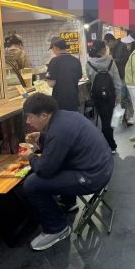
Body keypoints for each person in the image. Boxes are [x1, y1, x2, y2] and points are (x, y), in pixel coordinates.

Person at [21, 93, 113, 251]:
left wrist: (30, 157)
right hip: (102, 166)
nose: (28, 122)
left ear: (44, 116)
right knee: (57, 163)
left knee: (32, 184)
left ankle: (57, 228)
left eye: (30, 117)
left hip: (93, 176)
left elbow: (44, 170)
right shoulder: (65, 116)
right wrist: (42, 137)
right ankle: (68, 203)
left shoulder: (59, 130)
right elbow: (63, 142)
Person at [86, 40, 122, 152]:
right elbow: (117, 79)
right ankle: (111, 145)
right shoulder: (111, 61)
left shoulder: (89, 63)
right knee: (109, 119)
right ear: (103, 49)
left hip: (97, 96)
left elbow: (90, 78)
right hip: (110, 95)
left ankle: (107, 143)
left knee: (103, 118)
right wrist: (118, 94)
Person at [104, 33, 135, 126]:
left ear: (111, 41)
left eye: (107, 44)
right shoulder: (112, 48)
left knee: (126, 96)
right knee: (121, 97)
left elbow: (127, 59)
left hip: (124, 75)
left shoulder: (123, 45)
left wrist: (115, 60)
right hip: (117, 76)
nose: (107, 46)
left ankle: (129, 116)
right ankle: (125, 116)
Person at [46, 37, 82, 111]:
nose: (53, 51)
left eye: (52, 49)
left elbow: (51, 84)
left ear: (55, 47)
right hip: (73, 98)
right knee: (73, 116)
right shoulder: (76, 60)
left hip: (60, 101)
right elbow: (79, 77)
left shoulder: (54, 61)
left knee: (62, 117)